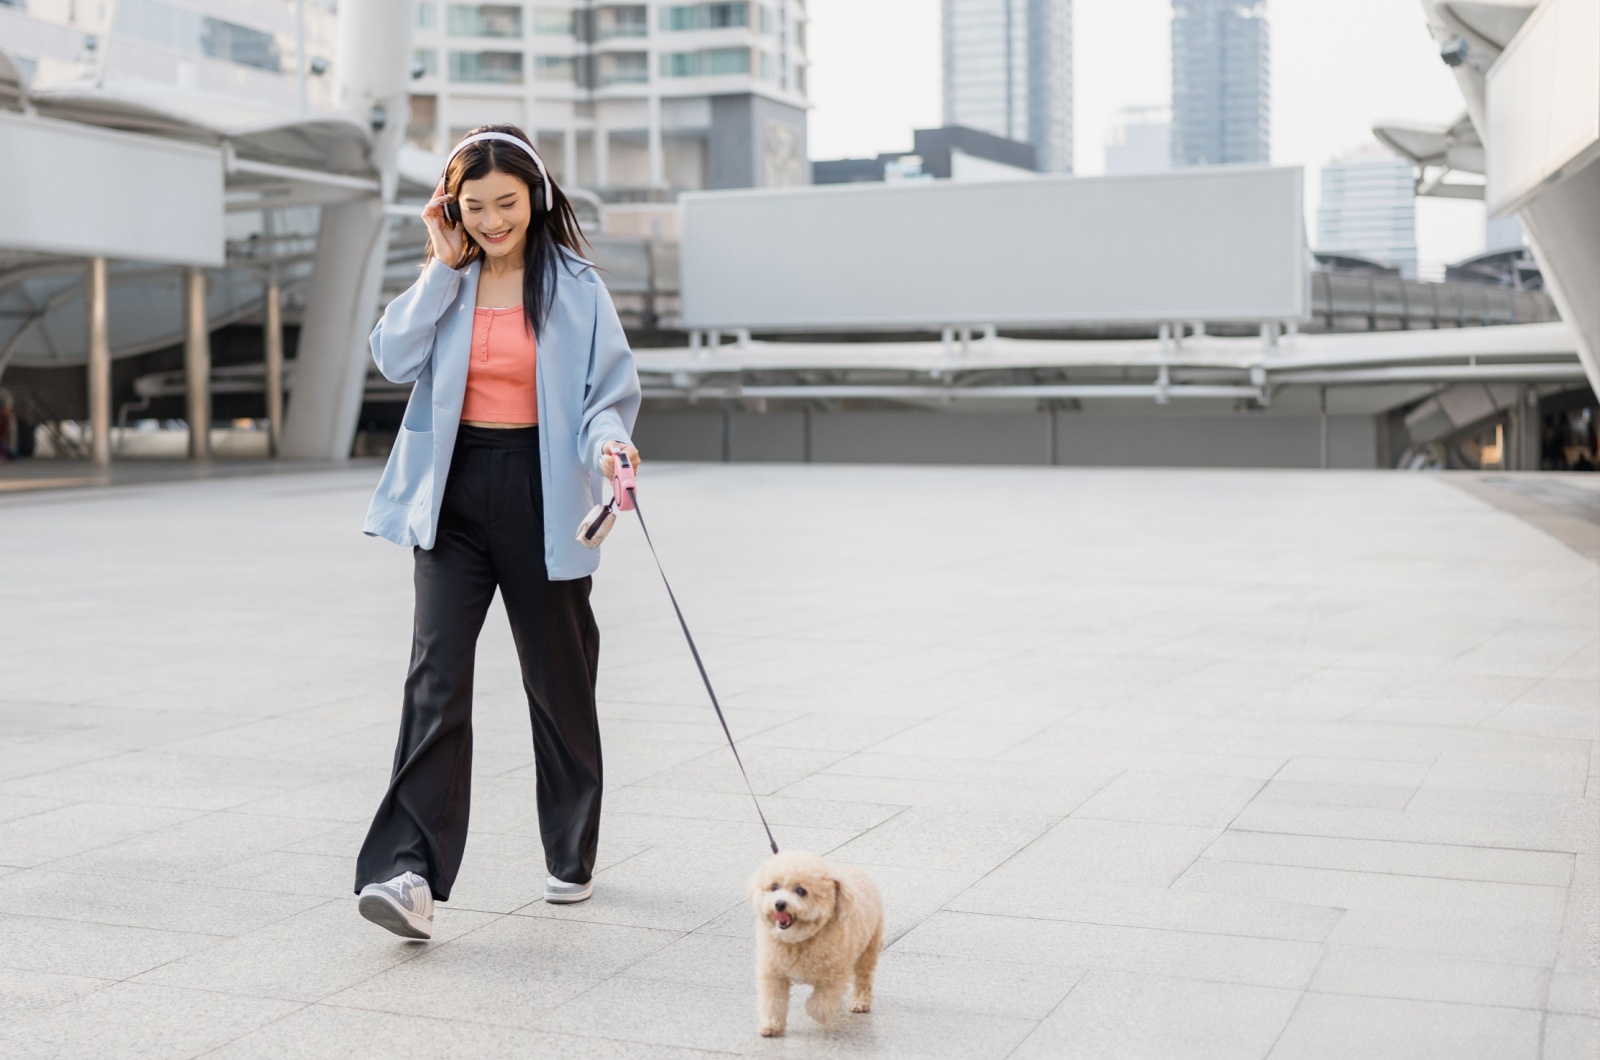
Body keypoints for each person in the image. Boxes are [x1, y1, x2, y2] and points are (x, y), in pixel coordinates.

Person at [353, 124, 641, 940]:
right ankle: (408, 872)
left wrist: (611, 444)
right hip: (452, 495)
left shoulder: (578, 287)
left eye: (505, 204)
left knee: (559, 682)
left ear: (538, 197)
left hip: (543, 488)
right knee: (435, 679)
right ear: (452, 208)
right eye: (472, 206)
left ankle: (570, 850)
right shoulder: (448, 279)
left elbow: (603, 400)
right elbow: (391, 357)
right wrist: (440, 267)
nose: (491, 220)